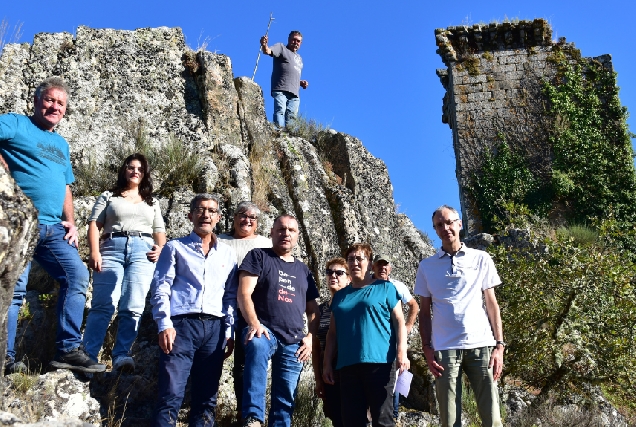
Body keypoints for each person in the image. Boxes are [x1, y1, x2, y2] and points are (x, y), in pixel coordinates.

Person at [0, 76, 105, 374]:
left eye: (60, 103)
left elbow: (65, 186)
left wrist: (70, 222)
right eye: (49, 100)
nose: (54, 106)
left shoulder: (60, 144)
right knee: (13, 290)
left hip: (54, 229)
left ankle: (68, 350)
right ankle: (5, 358)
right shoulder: (16, 124)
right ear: (36, 101)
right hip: (18, 223)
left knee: (76, 277)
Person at [150, 193, 238, 426]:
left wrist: (229, 332)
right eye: (200, 209)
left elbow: (230, 296)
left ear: (218, 217)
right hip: (181, 327)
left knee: (207, 400)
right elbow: (161, 288)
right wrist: (164, 324)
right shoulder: (174, 247)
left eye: (211, 211)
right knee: (170, 395)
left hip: (215, 329)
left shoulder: (228, 255)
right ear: (190, 215)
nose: (205, 215)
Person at [415, 205, 504, 427]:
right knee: (449, 420)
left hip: (481, 345)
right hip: (444, 351)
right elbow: (424, 312)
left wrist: (499, 346)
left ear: (459, 223)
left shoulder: (481, 258)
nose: (445, 228)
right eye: (439, 225)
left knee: (492, 418)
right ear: (435, 230)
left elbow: (492, 304)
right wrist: (427, 348)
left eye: (449, 222)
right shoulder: (426, 266)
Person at [82, 153, 166, 372]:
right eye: (130, 167)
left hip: (143, 252)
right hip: (111, 248)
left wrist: (160, 248)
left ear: (145, 173)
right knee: (102, 304)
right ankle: (88, 356)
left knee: (133, 305)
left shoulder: (152, 201)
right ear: (124, 170)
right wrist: (94, 252)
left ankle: (121, 356)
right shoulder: (109, 196)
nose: (135, 171)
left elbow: (159, 232)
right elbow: (94, 225)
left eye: (139, 168)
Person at [238, 214, 320, 427]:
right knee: (256, 346)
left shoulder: (303, 270)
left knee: (286, 397)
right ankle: (254, 418)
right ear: (272, 232)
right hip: (265, 330)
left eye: (291, 230)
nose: (286, 234)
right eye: (281, 229)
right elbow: (244, 293)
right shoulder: (258, 256)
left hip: (294, 340)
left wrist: (310, 338)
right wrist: (254, 323)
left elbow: (313, 311)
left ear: (297, 236)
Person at [323, 243, 410, 427]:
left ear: (370, 264)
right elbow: (332, 333)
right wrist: (327, 364)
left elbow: (399, 321)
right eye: (351, 259)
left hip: (379, 364)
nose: (355, 262)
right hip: (347, 367)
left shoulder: (385, 288)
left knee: (383, 419)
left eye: (360, 258)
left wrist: (402, 352)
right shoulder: (340, 297)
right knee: (352, 421)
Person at [218, 201, 272, 424]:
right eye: (242, 215)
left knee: (244, 361)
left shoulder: (265, 244)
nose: (247, 220)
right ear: (234, 217)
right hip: (222, 308)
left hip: (251, 311)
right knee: (213, 357)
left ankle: (244, 412)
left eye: (252, 217)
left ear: (258, 223)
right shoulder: (220, 240)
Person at [372, 254, 420, 420]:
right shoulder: (366, 285)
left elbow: (414, 305)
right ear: (373, 268)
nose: (382, 268)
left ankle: (394, 415)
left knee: (398, 377)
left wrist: (408, 327)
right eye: (379, 265)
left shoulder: (397, 286)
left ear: (390, 268)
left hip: (396, 340)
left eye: (385, 265)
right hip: (375, 341)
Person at [312, 257, 349, 427]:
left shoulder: (354, 304)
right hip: (329, 373)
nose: (333, 276)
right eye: (329, 272)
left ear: (349, 278)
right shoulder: (320, 310)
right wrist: (318, 379)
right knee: (337, 419)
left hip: (351, 370)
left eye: (339, 273)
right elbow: (316, 345)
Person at [260, 31, 309, 128]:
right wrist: (264, 45)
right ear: (289, 39)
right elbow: (267, 51)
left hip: (294, 92)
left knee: (292, 117)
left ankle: (289, 138)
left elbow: (290, 73)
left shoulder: (299, 58)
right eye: (293, 39)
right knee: (280, 110)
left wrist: (300, 82)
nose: (295, 42)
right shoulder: (281, 48)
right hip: (281, 88)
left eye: (298, 41)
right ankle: (279, 132)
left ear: (301, 43)